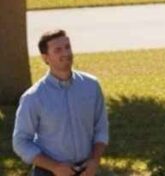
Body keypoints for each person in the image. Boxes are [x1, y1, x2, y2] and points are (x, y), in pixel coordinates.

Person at [12, 30, 109, 176]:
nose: (66, 53)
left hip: (88, 169)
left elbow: (101, 128)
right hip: (49, 172)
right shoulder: (34, 97)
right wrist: (55, 167)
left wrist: (94, 161)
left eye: (67, 47)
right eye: (58, 50)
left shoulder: (91, 86)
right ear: (46, 58)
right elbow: (21, 142)